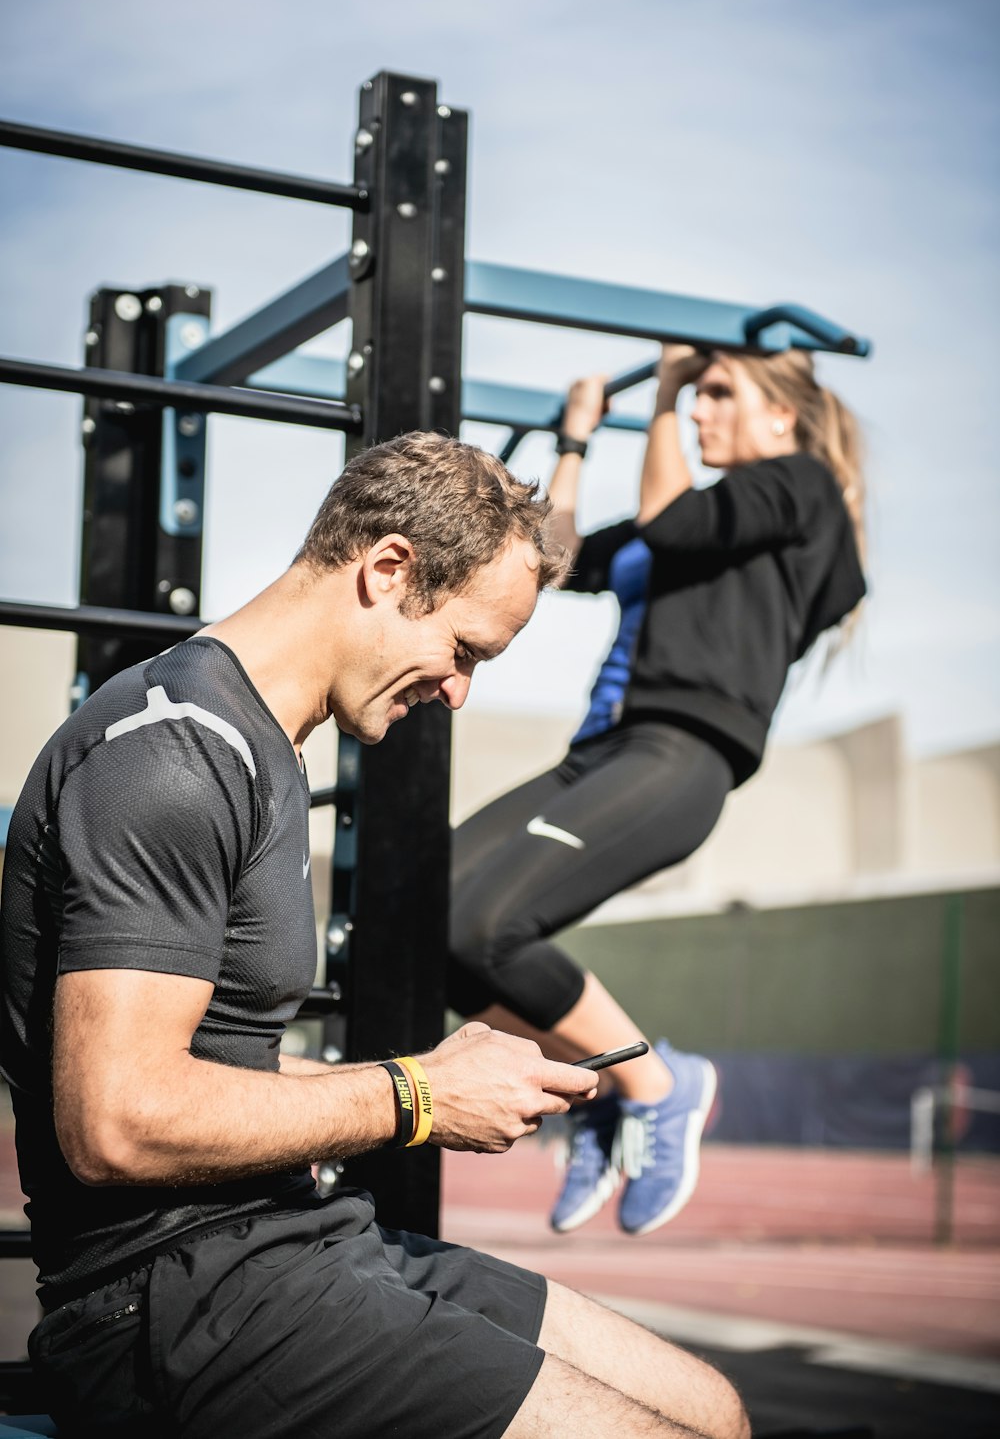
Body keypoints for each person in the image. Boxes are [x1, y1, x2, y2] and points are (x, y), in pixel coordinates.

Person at [0, 431, 749, 1439]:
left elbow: (214, 1073)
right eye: (464, 650)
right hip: (176, 1306)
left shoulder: (261, 743)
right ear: (387, 568)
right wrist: (419, 1097)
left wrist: (441, 1074)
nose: (459, 691)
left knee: (712, 1409)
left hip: (290, 1243)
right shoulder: (174, 757)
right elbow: (119, 1123)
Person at [449, 345, 867, 1238]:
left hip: (682, 754)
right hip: (598, 753)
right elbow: (548, 562)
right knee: (425, 926)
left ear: (782, 417)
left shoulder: (800, 489)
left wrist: (669, 392)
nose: (704, 410)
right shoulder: (684, 513)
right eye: (699, 393)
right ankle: (609, 1092)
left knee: (488, 925)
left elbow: (675, 521)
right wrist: (575, 439)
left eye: (723, 394)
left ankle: (658, 1085)